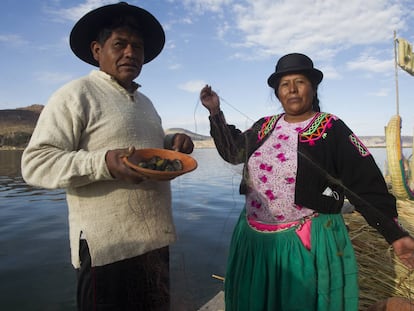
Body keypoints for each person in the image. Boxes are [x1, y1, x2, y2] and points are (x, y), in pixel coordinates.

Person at [200, 53, 414, 311]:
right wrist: (215, 111)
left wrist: (395, 234)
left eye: (299, 81)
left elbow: (365, 182)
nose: (291, 89)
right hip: (255, 239)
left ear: (313, 87)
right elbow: (233, 151)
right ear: (277, 93)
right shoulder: (265, 126)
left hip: (307, 242)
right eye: (284, 84)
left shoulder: (331, 128)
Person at [21, 2, 194, 310]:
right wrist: (104, 164)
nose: (131, 52)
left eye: (137, 46)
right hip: (107, 249)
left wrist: (172, 142)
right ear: (97, 50)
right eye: (120, 44)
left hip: (155, 242)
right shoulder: (75, 94)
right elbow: (36, 163)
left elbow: (145, 145)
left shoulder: (146, 102)